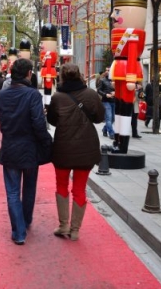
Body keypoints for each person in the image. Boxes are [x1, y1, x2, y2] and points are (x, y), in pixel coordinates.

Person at [0, 58, 53, 245]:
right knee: (29, 187)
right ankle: (25, 220)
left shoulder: (4, 95)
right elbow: (38, 123)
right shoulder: (32, 95)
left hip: (10, 146)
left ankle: (19, 231)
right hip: (29, 147)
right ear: (29, 73)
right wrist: (47, 142)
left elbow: (2, 121)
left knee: (12, 191)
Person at [47, 63, 104, 241]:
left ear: (62, 77)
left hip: (63, 147)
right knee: (80, 188)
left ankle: (63, 225)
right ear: (79, 75)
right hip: (86, 148)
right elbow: (99, 118)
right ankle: (75, 229)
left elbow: (53, 121)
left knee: (61, 185)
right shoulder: (91, 95)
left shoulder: (57, 97)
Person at [96, 69, 116, 139]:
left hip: (113, 101)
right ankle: (111, 133)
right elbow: (98, 90)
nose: (108, 71)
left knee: (112, 119)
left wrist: (115, 93)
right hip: (106, 101)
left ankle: (105, 129)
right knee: (108, 118)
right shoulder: (102, 80)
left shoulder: (115, 80)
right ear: (105, 72)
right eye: (107, 70)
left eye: (110, 70)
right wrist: (105, 95)